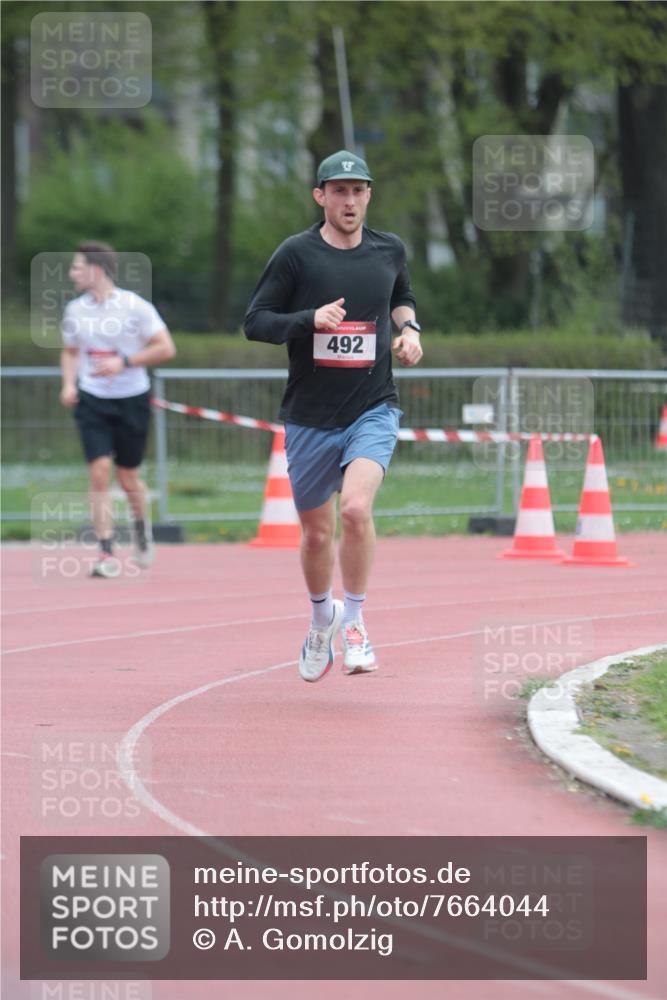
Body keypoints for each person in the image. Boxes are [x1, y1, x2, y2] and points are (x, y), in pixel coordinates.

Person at [245, 150, 423, 682]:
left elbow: (402, 294)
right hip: (309, 416)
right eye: (339, 191)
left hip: (373, 407)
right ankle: (323, 617)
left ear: (369, 195)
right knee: (318, 534)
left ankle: (357, 623)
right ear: (320, 196)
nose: (350, 200)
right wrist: (309, 319)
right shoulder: (295, 254)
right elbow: (256, 322)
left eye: (358, 190)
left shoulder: (389, 248)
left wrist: (410, 330)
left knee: (356, 510)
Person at [59, 241, 176, 578]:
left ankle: (141, 529)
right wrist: (68, 384)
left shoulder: (134, 306)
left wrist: (124, 362)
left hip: (131, 398)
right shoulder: (75, 310)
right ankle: (106, 552)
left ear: (96, 270)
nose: (72, 273)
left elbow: (166, 348)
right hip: (91, 398)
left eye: (77, 267)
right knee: (99, 472)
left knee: (128, 477)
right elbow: (70, 351)